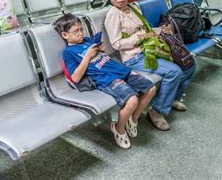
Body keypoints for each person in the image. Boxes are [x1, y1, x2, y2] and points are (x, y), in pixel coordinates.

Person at [104, 0, 196, 131]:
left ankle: (172, 97)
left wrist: (160, 30)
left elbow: (145, 30)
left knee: (189, 64)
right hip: (133, 57)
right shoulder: (113, 14)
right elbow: (116, 43)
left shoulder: (132, 8)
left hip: (149, 48)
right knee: (174, 71)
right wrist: (139, 38)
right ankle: (157, 111)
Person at [54, 13, 157, 149]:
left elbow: (99, 56)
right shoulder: (68, 52)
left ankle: (133, 119)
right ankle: (118, 128)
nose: (80, 33)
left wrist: (100, 50)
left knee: (151, 89)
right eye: (76, 31)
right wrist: (88, 57)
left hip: (119, 69)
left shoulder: (86, 40)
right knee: (132, 100)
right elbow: (75, 78)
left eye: (81, 29)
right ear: (65, 35)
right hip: (106, 78)